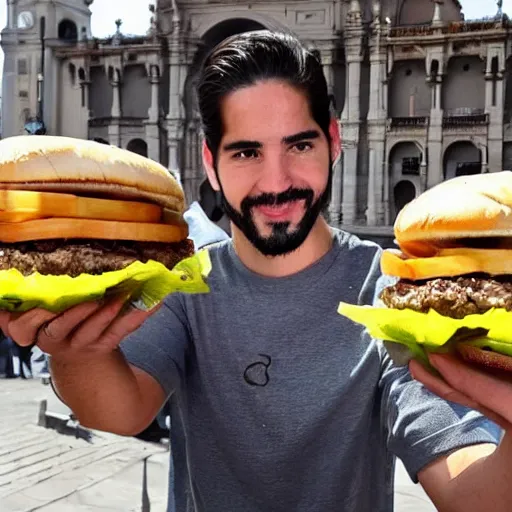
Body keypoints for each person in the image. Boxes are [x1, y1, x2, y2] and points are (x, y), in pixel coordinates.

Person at [1, 31, 512, 512]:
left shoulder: (394, 291)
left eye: (299, 145)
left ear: (333, 140)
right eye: (246, 152)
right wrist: (73, 353)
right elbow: (120, 411)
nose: (277, 182)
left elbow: (469, 491)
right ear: (211, 162)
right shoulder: (184, 282)